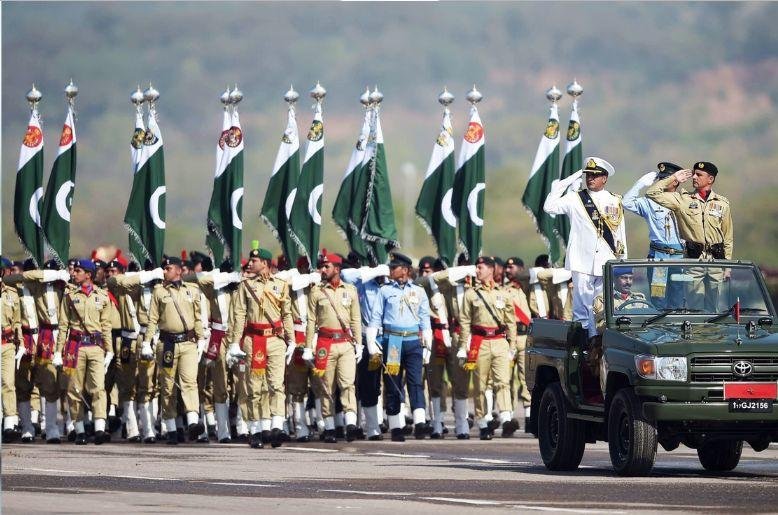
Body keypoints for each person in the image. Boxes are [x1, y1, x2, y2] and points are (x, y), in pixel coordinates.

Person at [544, 156, 628, 339]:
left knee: (601, 307)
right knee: (581, 308)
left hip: (606, 260)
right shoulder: (575, 198)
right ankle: (583, 344)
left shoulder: (615, 200)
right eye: (588, 175)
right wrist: (565, 182)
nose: (590, 178)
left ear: (604, 178)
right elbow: (549, 207)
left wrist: (622, 262)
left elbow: (620, 233)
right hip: (581, 261)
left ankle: (597, 341)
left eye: (594, 175)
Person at [226, 247, 294, 449]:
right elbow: (239, 315)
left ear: (264, 263)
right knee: (255, 387)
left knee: (276, 385)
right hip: (254, 339)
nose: (249, 264)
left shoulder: (281, 285)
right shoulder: (246, 286)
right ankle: (255, 429)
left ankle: (276, 427)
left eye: (254, 261)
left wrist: (291, 340)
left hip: (275, 339)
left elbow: (287, 314)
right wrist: (234, 342)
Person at [646, 162, 733, 311]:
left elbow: (728, 236)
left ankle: (711, 327)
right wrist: (673, 177)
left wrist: (728, 266)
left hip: (716, 262)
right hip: (694, 261)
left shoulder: (722, 203)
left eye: (699, 175)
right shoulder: (683, 200)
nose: (694, 177)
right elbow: (652, 193)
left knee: (714, 308)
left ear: (710, 179)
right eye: (694, 174)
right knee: (695, 308)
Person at [140, 255, 206, 445]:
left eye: (168, 268)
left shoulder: (192, 290)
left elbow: (197, 317)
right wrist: (147, 342)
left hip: (188, 343)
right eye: (164, 268)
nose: (164, 271)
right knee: (168, 387)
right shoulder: (159, 291)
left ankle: (192, 421)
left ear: (178, 270)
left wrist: (201, 338)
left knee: (189, 382)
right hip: (167, 343)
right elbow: (153, 319)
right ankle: (171, 428)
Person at [367, 252, 432, 442]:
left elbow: (424, 320)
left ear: (404, 270)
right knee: (393, 383)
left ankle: (420, 422)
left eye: (394, 268)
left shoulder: (418, 291)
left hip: (413, 341)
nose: (390, 270)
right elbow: (376, 317)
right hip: (393, 341)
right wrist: (372, 343)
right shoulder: (385, 291)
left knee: (416, 382)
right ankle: (396, 426)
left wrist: (428, 345)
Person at [457, 256, 518, 440]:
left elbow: (511, 322)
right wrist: (463, 346)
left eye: (480, 267)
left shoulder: (504, 293)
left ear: (491, 270)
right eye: (476, 267)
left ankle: (506, 418)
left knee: (503, 381)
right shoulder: (471, 294)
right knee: (480, 385)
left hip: (499, 341)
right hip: (480, 342)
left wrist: (512, 345)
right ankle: (483, 422)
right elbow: (465, 322)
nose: (477, 270)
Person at [54, 259, 114, 445]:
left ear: (88, 274)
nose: (74, 273)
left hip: (96, 347)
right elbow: (63, 325)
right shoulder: (69, 296)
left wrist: (110, 350)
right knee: (74, 388)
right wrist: (58, 351)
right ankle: (79, 430)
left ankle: (99, 429)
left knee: (98, 387)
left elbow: (106, 325)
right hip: (75, 347)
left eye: (78, 271)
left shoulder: (102, 296)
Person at [306, 252, 361, 443]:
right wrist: (308, 346)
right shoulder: (317, 291)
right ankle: (329, 427)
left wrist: (359, 344)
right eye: (322, 266)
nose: (322, 270)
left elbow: (355, 319)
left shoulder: (350, 290)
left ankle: (351, 424)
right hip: (325, 344)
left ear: (337, 269)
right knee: (327, 387)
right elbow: (311, 321)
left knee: (347, 384)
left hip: (345, 343)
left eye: (326, 266)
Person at [341, 259, 390, 440]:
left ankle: (396, 426)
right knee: (370, 382)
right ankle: (372, 428)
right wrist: (373, 271)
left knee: (392, 379)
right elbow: (346, 275)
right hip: (369, 339)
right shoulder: (363, 283)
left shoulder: (391, 286)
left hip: (390, 339)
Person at [623, 162, 685, 308]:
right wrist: (640, 184)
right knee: (658, 298)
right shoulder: (650, 202)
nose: (661, 182)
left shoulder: (684, 200)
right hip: (659, 258)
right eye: (660, 179)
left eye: (665, 179)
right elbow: (626, 202)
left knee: (678, 297)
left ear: (675, 181)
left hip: (680, 258)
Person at [504, 257, 532, 430]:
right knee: (507, 379)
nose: (508, 270)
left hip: (526, 336)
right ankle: (508, 417)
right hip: (509, 339)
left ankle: (529, 417)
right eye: (506, 267)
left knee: (526, 378)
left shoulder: (528, 285)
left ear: (521, 268)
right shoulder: (503, 289)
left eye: (511, 267)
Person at [2, 257, 22, 442]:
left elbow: (17, 322)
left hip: (6, 344)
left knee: (8, 383)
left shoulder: (11, 294)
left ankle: (9, 423)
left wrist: (20, 343)